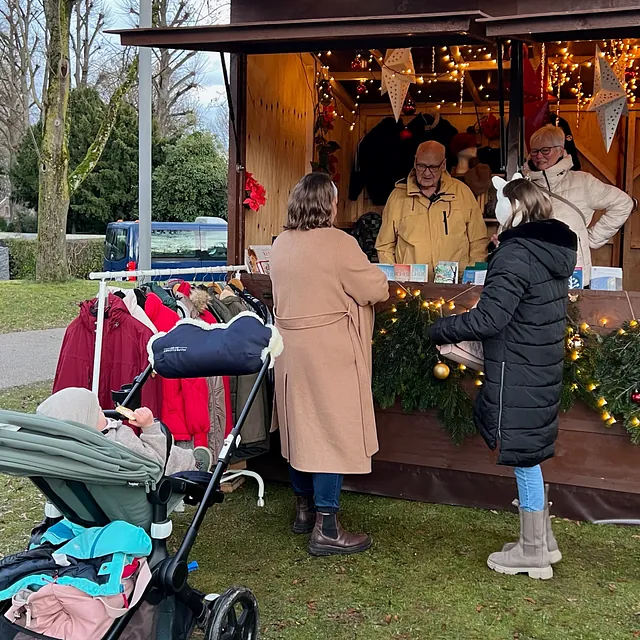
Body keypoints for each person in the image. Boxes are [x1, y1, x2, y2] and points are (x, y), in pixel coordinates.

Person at [429, 177, 578, 580]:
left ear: (512, 208)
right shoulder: (550, 251)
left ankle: (532, 552)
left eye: (498, 203)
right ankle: (542, 541)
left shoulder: (516, 254)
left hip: (518, 368)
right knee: (529, 454)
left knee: (524, 459)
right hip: (538, 366)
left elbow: (490, 318)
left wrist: (441, 329)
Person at [270, 172, 389, 557]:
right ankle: (328, 527)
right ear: (328, 203)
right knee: (328, 433)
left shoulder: (281, 244)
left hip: (289, 352)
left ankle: (303, 511)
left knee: (297, 427)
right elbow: (375, 289)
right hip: (329, 353)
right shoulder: (340, 244)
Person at [524, 124, 633, 286]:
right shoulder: (524, 185)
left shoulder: (582, 181)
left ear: (561, 150)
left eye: (545, 150)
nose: (539, 156)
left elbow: (623, 203)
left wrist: (592, 239)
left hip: (573, 271)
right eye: (534, 151)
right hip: (532, 268)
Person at [375, 140, 488, 279]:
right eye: (421, 166)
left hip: (455, 286)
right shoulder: (397, 197)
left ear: (443, 165)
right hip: (410, 288)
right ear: (415, 162)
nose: (426, 173)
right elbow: (384, 246)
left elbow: (478, 242)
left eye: (433, 167)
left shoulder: (462, 193)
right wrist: (397, 281)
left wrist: (468, 280)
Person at [37, 388, 213, 475]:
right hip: (163, 468)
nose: (104, 412)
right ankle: (196, 466)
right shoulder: (118, 444)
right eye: (98, 411)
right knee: (174, 453)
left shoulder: (77, 453)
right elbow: (155, 462)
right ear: (87, 424)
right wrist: (150, 427)